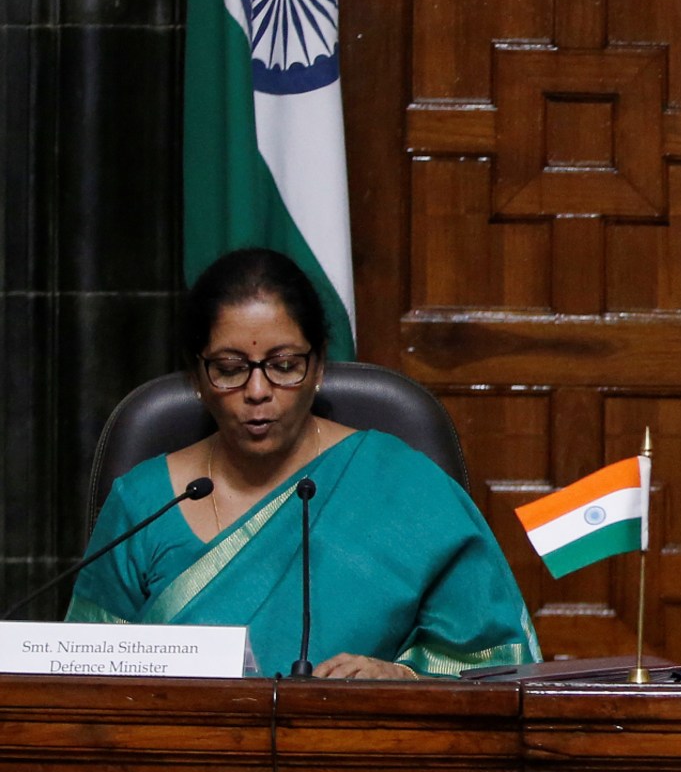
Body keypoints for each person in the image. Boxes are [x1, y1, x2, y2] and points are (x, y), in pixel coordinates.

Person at [69, 248, 539, 679]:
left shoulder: (402, 484)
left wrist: (403, 679)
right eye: (231, 369)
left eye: (284, 364)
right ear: (198, 378)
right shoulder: (145, 502)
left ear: (317, 369)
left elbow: (497, 662)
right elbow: (82, 676)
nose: (258, 391)